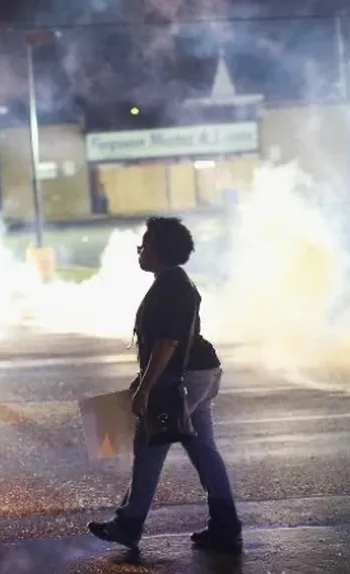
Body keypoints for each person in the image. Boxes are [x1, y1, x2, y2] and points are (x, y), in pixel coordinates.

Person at [88, 216, 243, 554]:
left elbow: (167, 343)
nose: (140, 249)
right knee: (203, 450)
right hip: (197, 371)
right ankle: (226, 525)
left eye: (145, 244)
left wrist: (145, 389)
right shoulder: (171, 282)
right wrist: (143, 381)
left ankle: (129, 525)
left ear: (159, 250)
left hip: (184, 376)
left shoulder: (172, 287)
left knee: (149, 447)